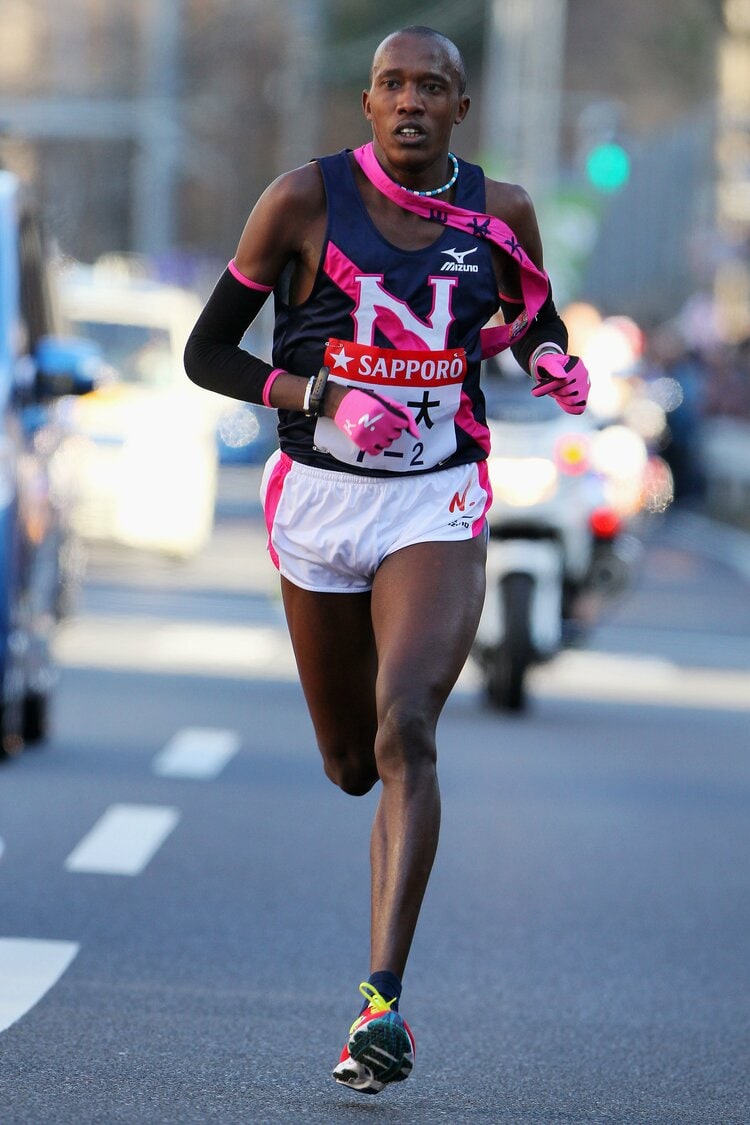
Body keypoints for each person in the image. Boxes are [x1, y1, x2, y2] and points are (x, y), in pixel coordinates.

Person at [184, 25, 589, 1096]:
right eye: (394, 85)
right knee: (351, 763)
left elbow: (534, 313)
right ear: (367, 103)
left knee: (406, 723)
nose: (412, 101)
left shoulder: (499, 215)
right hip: (320, 499)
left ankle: (382, 1006)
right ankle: (376, 923)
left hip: (436, 500)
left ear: (462, 109)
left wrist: (550, 361)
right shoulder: (301, 201)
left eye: (434, 88)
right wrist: (320, 395)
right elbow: (207, 353)